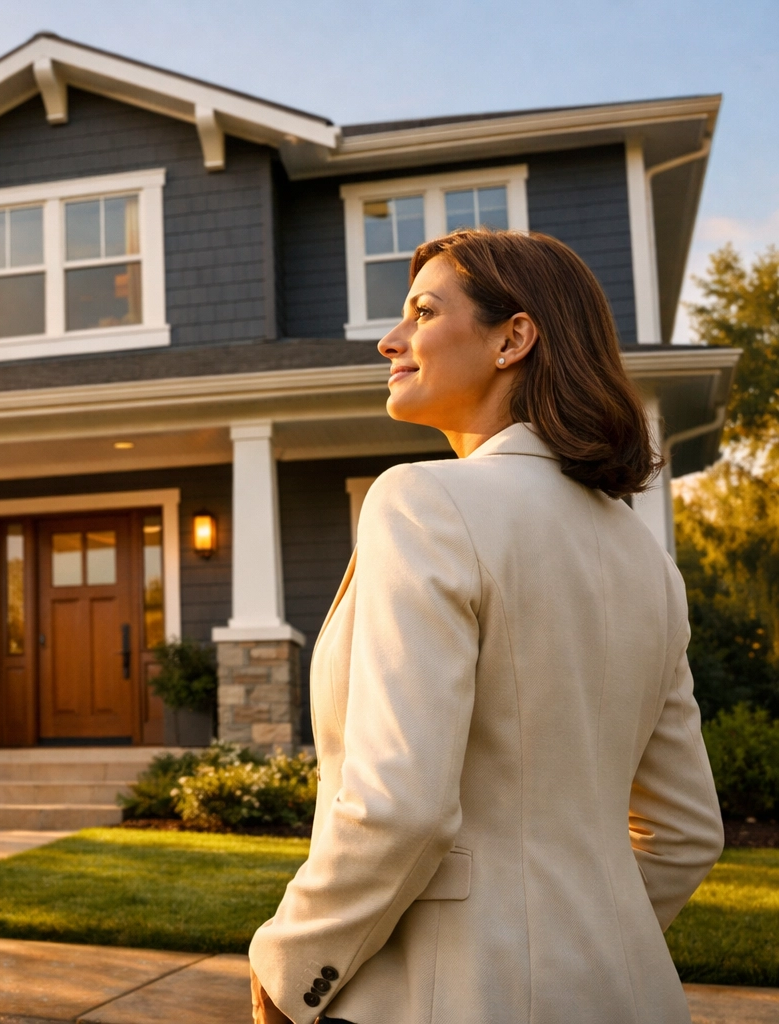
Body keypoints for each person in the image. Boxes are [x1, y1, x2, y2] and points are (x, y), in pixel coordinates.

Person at [248, 229, 724, 1024]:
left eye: (423, 312)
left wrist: (292, 966)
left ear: (515, 338)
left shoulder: (422, 502)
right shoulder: (648, 563)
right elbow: (686, 832)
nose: (388, 340)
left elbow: (401, 805)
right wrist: (575, 940)